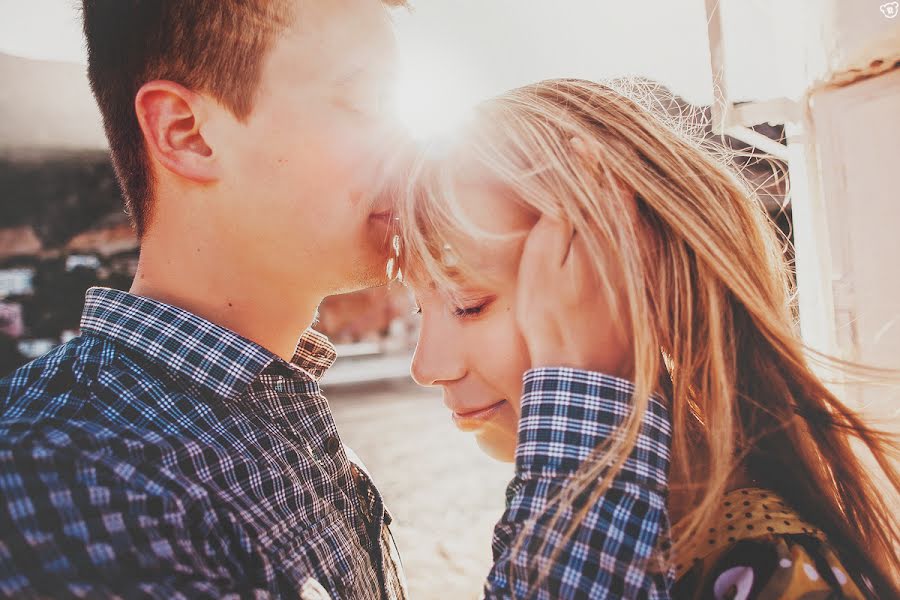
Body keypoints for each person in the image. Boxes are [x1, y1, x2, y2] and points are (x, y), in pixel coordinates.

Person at [397, 78, 900, 598]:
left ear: (631, 280)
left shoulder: (773, 575)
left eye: (467, 305)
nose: (425, 365)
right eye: (418, 308)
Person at [0, 1, 409, 597]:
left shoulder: (275, 411)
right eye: (367, 103)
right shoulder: (76, 477)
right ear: (185, 133)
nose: (411, 148)